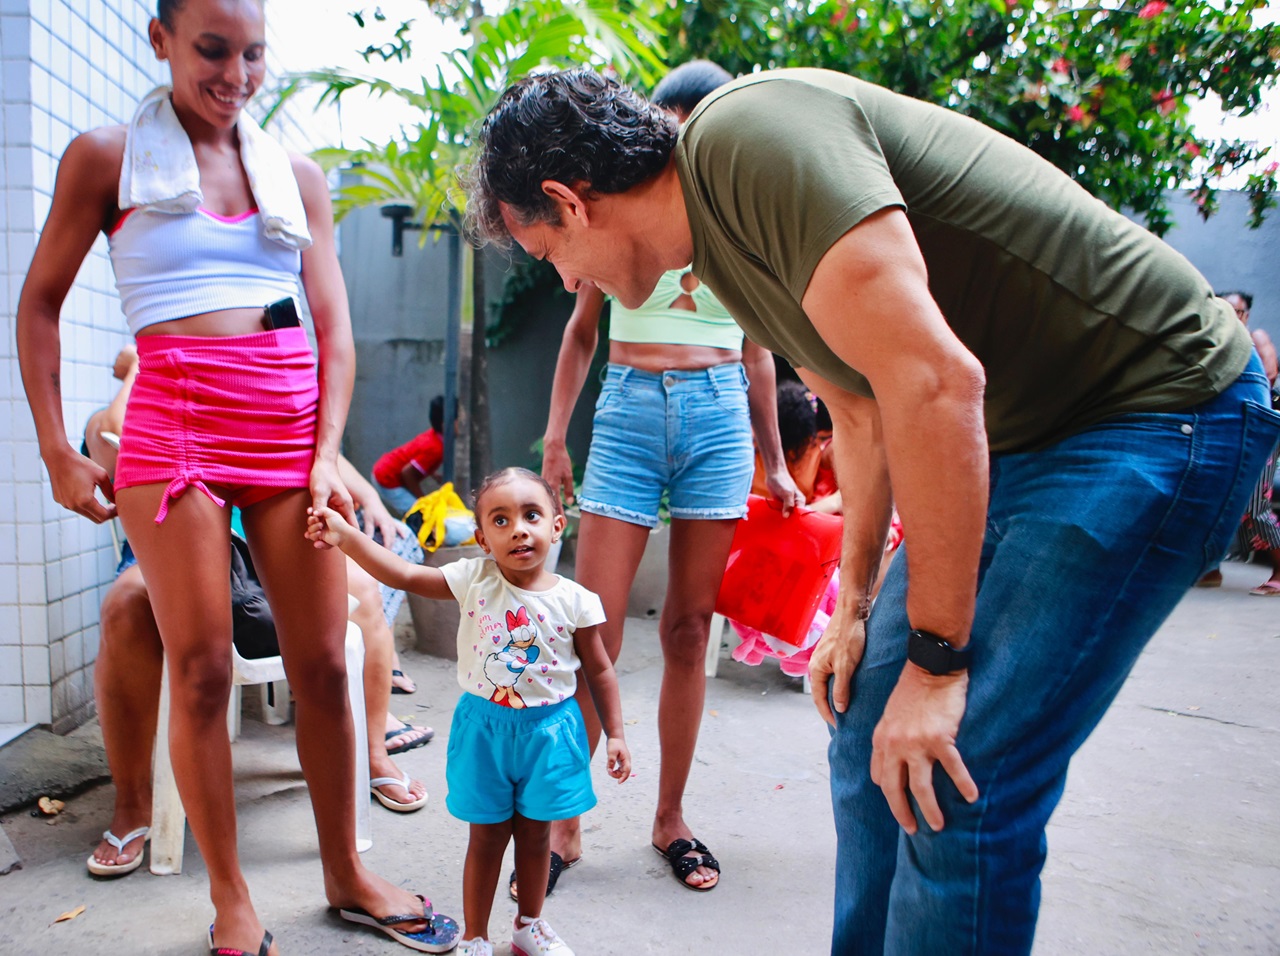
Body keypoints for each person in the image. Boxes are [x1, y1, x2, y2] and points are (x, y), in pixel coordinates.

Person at [463, 66, 1280, 955]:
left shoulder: (746, 140)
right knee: (863, 731)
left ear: (567, 202)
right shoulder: (717, 249)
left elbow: (934, 382)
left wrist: (935, 663)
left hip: (1158, 409)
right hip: (1018, 434)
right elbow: (859, 410)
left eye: (546, 256)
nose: (561, 276)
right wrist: (851, 611)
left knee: (961, 779)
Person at [16, 1, 457, 952]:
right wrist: (56, 445)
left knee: (325, 662)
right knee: (207, 668)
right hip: (172, 420)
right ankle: (231, 898)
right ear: (162, 39)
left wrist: (327, 447)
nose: (236, 75)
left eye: (254, 54)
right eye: (213, 51)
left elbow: (333, 326)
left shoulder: (294, 176)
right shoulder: (106, 158)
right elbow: (40, 305)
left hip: (288, 424)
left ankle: (344, 871)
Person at [528, 59, 799, 899]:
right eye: (670, 128)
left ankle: (669, 818)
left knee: (689, 631)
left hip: (718, 413)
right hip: (629, 410)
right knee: (593, 632)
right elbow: (581, 333)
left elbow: (759, 351)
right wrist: (554, 439)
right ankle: (567, 824)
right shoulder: (617, 215)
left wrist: (777, 461)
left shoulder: (738, 224)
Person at [307, 467, 632, 956]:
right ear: (482, 539)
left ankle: (528, 926)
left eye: (531, 515)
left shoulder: (576, 600)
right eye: (500, 521)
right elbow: (405, 574)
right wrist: (347, 537)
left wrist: (616, 734)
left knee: (537, 838)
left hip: (550, 733)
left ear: (557, 526)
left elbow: (601, 672)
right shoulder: (473, 579)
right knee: (486, 838)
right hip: (485, 732)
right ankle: (477, 938)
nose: (519, 528)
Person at [1195, 291, 1280, 593]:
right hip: (1226, 428)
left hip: (1257, 427)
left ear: (1246, 314)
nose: (1230, 315)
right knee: (1213, 499)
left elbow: (1268, 375)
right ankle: (1210, 570)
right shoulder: (1216, 342)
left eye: (1236, 311)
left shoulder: (1254, 338)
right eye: (1223, 309)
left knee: (1254, 505)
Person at [373, 395, 447, 515]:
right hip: (386, 478)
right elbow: (407, 473)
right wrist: (422, 500)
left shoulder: (436, 437)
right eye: (459, 420)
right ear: (445, 425)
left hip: (386, 468)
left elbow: (419, 459)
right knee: (418, 514)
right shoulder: (436, 448)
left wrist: (433, 474)